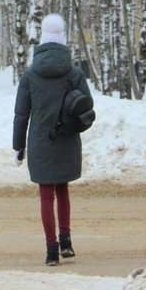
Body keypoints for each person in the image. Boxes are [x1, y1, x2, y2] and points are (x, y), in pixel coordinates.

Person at [12, 13, 91, 266]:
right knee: (63, 189)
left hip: (40, 141)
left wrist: (18, 145)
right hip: (66, 138)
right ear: (63, 40)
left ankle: (51, 250)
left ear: (43, 42)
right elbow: (87, 107)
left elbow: (21, 114)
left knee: (46, 194)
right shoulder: (74, 73)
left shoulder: (30, 75)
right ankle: (66, 241)